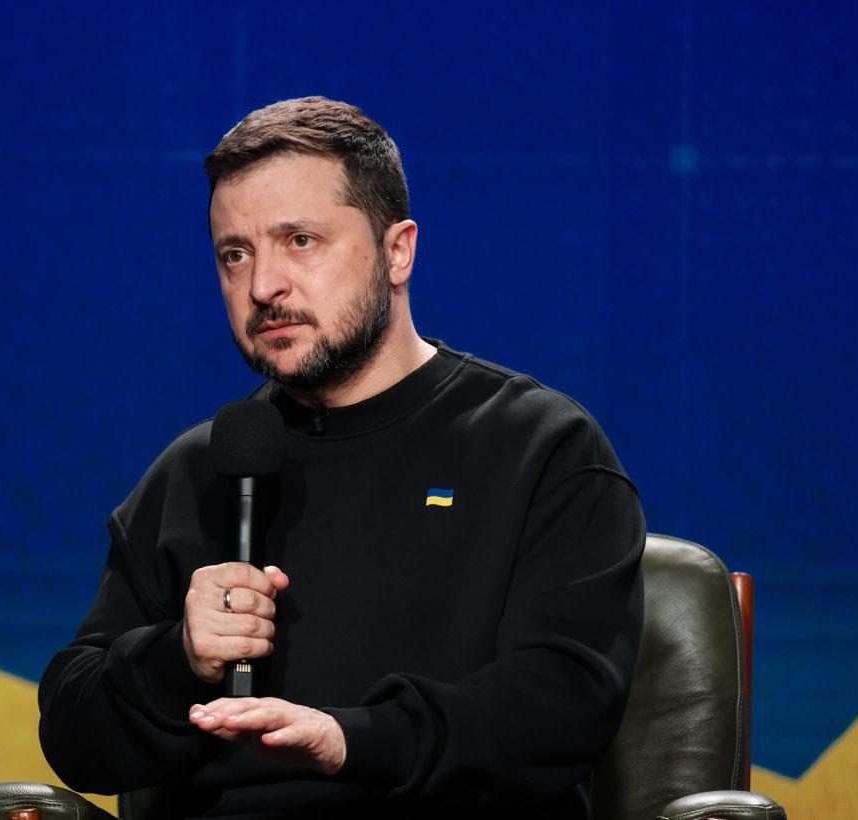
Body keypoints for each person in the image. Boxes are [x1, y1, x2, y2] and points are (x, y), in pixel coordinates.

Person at [38, 97, 645, 819]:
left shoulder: (539, 447)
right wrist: (177, 659)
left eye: (300, 241)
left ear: (398, 251)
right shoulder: (200, 470)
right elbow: (73, 734)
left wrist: (350, 740)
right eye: (235, 254)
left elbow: (563, 705)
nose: (263, 287)